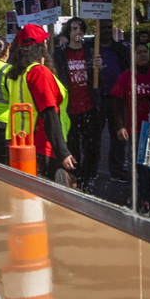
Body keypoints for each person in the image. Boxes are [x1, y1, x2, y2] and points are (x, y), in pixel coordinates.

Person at [4, 24, 76, 182]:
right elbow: (50, 113)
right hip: (42, 147)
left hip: (19, 145)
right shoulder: (38, 72)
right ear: (42, 46)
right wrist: (62, 152)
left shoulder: (14, 74)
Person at [53, 17, 99, 192]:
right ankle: (75, 178)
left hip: (89, 107)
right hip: (69, 109)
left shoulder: (90, 52)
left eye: (80, 29)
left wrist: (98, 68)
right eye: (74, 29)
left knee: (91, 147)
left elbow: (98, 82)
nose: (77, 32)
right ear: (68, 32)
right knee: (73, 147)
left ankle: (87, 180)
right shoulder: (60, 54)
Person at [111, 38, 150, 212]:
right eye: (139, 53)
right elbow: (116, 103)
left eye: (145, 52)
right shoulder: (126, 76)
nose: (143, 55)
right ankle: (138, 198)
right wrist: (120, 126)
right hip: (135, 128)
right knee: (138, 168)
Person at [96, 20, 130, 181]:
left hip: (117, 98)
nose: (107, 31)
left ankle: (116, 168)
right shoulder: (92, 48)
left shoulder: (120, 49)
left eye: (109, 27)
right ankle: (93, 167)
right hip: (98, 98)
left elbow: (127, 69)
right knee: (94, 135)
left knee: (118, 133)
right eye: (103, 28)